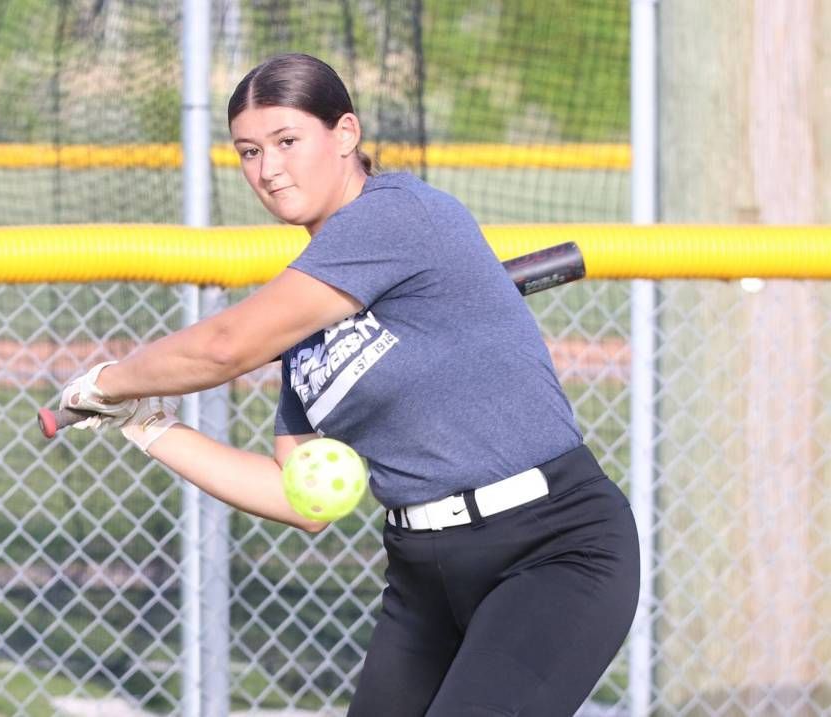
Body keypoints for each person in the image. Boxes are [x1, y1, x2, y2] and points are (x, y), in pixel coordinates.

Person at [58, 52, 640, 716]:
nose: (268, 169)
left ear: (345, 135)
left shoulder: (396, 215)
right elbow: (299, 498)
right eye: (248, 151)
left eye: (286, 141)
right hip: (424, 572)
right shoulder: (306, 334)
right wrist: (150, 426)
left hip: (552, 547)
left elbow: (223, 347)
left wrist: (109, 378)